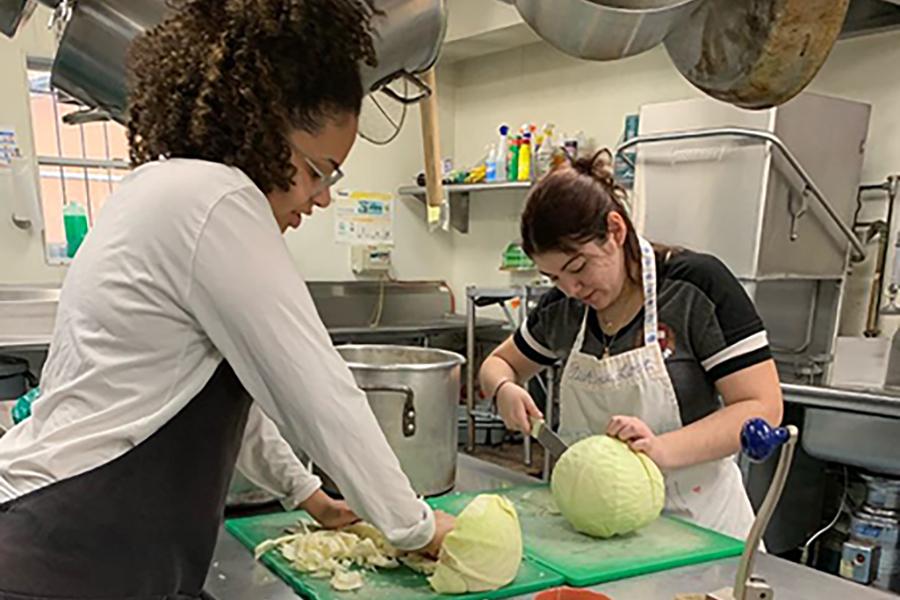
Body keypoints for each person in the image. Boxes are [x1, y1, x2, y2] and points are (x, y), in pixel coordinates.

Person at [0, 1, 453, 597]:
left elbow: (239, 389)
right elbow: (314, 388)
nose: (320, 198)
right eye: (318, 171)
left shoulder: (168, 188)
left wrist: (307, 493)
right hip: (75, 549)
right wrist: (416, 526)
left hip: (62, 536)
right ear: (262, 128)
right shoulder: (216, 200)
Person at [479, 150, 783, 540]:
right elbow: (498, 364)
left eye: (577, 267)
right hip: (595, 534)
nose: (572, 289)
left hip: (697, 528)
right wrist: (504, 388)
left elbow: (763, 407)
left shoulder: (695, 288)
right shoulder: (565, 309)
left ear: (615, 231)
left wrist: (661, 449)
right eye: (553, 277)